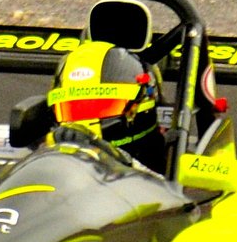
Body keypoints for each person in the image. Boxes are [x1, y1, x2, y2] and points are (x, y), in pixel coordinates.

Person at [45, 39, 170, 174]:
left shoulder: (173, 165)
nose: (85, 125)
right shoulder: (42, 160)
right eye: (74, 109)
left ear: (144, 106)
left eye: (103, 107)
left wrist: (120, 159)